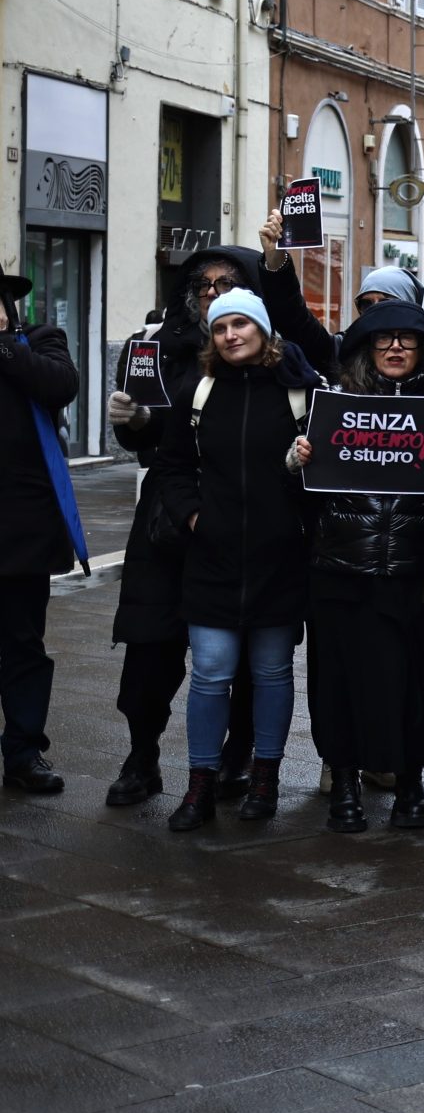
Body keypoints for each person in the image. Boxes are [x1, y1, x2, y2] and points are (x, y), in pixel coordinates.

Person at [293, 299, 424, 832]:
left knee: (413, 681)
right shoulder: (335, 404)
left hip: (415, 568)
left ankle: (410, 782)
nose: (395, 348)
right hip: (341, 568)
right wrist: (295, 460)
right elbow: (300, 490)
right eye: (383, 339)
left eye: (407, 340)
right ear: (367, 350)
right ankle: (344, 781)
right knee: (339, 683)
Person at [154, 289, 329, 829]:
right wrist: (194, 519)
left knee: (272, 672)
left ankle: (264, 779)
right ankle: (199, 785)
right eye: (221, 327)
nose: (231, 335)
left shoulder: (300, 392)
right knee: (209, 673)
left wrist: (298, 469)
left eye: (241, 325)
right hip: (213, 557)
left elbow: (325, 479)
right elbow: (171, 467)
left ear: (263, 330)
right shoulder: (199, 392)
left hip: (279, 558)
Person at [102, 244, 263, 807]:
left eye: (228, 284)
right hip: (167, 525)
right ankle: (141, 755)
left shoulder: (263, 356)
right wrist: (134, 422)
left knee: (241, 655)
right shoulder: (157, 349)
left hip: (239, 525)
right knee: (149, 647)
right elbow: (144, 439)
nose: (215, 295)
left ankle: (233, 756)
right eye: (205, 286)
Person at [0, 261, 80, 797]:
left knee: (23, 645)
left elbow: (60, 386)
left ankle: (25, 753)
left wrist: (3, 344)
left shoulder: (41, 341)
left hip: (20, 532)